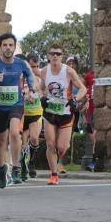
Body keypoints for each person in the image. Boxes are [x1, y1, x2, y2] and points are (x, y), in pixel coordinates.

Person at [0, 33, 35, 187]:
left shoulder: (20, 64)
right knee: (0, 140)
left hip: (16, 104)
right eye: (5, 45)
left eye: (11, 45)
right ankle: (2, 168)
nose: (8, 48)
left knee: (15, 133)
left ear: (15, 47)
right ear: (0, 47)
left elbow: (30, 76)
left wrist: (31, 90)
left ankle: (16, 168)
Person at [39, 44, 85, 185]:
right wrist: (42, 97)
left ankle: (60, 156)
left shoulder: (69, 71)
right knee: (50, 143)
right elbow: (40, 88)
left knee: (62, 147)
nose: (55, 56)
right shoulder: (44, 71)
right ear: (48, 56)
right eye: (52, 53)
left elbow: (82, 89)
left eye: (58, 54)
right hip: (50, 112)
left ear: (61, 56)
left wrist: (75, 100)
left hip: (65, 112)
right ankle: (54, 174)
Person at [22, 53, 43, 179]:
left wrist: (36, 93)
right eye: (32, 67)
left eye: (37, 66)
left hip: (36, 112)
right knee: (23, 141)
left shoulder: (40, 77)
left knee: (34, 138)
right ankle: (23, 166)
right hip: (23, 113)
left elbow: (42, 91)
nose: (35, 69)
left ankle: (31, 162)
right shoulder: (21, 76)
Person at [83, 64, 97, 172]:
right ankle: (94, 159)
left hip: (98, 110)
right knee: (92, 137)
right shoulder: (89, 76)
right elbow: (83, 88)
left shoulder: (103, 75)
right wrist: (85, 101)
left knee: (96, 137)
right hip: (89, 110)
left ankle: (93, 162)